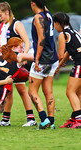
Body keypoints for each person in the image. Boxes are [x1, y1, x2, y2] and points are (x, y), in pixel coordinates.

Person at [0, 2, 37, 127]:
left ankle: (31, 118)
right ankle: (6, 120)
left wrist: (24, 56)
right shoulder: (1, 26)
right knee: (8, 90)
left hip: (16, 62)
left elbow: (27, 41)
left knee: (21, 89)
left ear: (7, 12)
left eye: (0, 16)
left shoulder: (17, 24)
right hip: (5, 63)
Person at [28, 0, 59, 129]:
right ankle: (51, 121)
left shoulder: (38, 17)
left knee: (32, 91)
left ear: (33, 3)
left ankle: (43, 119)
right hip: (53, 59)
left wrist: (36, 60)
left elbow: (41, 39)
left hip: (43, 59)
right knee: (48, 91)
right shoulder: (48, 15)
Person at [53, 12, 81, 129]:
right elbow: (69, 51)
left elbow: (60, 54)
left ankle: (79, 120)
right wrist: (59, 66)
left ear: (57, 23)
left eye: (54, 23)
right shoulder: (73, 32)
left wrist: (58, 62)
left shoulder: (62, 35)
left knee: (70, 92)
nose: (54, 26)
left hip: (79, 64)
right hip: (79, 62)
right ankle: (74, 118)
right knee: (78, 93)